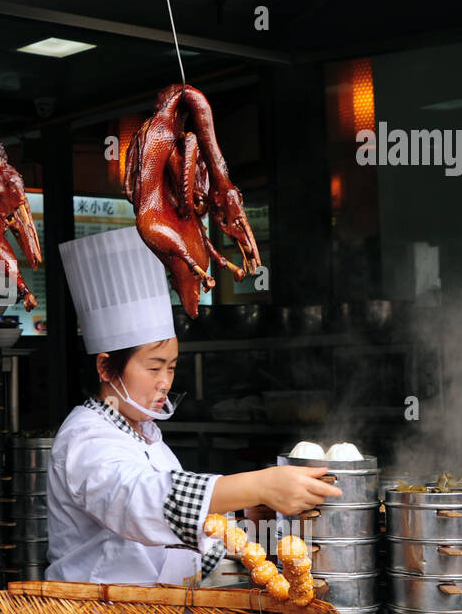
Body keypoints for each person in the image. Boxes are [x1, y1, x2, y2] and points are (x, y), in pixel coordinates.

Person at [46, 227, 339, 585]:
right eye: (154, 367)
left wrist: (249, 520)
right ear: (106, 367)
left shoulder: (147, 435)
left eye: (171, 367)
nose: (165, 382)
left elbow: (184, 531)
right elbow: (141, 501)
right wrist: (258, 484)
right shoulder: (85, 438)